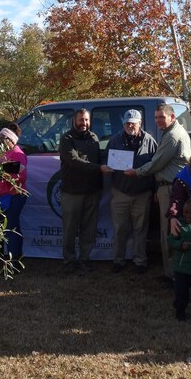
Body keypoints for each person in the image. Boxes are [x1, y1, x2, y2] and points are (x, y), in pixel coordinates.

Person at [124, 103, 191, 282]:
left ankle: (173, 276)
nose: (158, 120)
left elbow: (157, 163)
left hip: (171, 188)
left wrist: (136, 172)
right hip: (167, 186)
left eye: (162, 117)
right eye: (156, 117)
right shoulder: (171, 133)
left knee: (169, 232)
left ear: (172, 117)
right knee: (170, 230)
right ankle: (172, 272)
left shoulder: (172, 136)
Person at [59, 108, 112, 273]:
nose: (84, 123)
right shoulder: (66, 139)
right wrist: (99, 168)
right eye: (81, 120)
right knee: (70, 228)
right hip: (72, 191)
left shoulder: (94, 137)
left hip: (92, 190)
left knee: (89, 228)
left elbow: (100, 157)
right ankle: (69, 260)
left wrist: (118, 160)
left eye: (87, 120)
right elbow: (74, 161)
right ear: (74, 121)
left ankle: (85, 258)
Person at [106, 109, 157, 273]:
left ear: (140, 123)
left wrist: (153, 190)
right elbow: (105, 161)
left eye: (133, 123)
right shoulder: (114, 140)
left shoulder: (150, 142)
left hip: (142, 193)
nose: (130, 126)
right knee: (120, 228)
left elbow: (156, 167)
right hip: (120, 191)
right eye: (127, 123)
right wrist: (109, 168)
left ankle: (140, 261)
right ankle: (118, 260)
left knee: (140, 229)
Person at [0, 127, 28, 264]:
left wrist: (2, 174)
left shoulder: (17, 154)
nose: (1, 141)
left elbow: (21, 176)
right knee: (11, 227)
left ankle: (13, 259)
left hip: (14, 195)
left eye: (4, 139)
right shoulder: (5, 153)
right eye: (0, 138)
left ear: (11, 139)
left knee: (11, 228)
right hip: (4, 195)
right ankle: (15, 257)